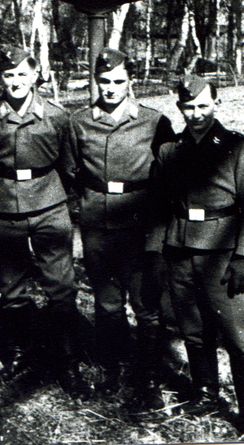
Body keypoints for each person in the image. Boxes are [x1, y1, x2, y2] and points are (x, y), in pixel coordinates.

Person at [0, 46, 89, 399]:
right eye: (8, 75)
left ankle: (68, 362)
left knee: (60, 285)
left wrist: (55, 197)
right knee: (11, 286)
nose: (15, 82)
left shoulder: (57, 116)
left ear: (35, 76)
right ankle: (18, 356)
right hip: (3, 208)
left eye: (22, 74)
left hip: (50, 205)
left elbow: (69, 164)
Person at [146, 75, 244, 439]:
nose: (196, 114)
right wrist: (155, 252)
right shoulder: (170, 151)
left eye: (203, 106)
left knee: (236, 336)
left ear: (216, 103)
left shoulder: (236, 147)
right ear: (179, 107)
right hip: (180, 250)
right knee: (194, 331)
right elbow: (157, 206)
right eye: (188, 107)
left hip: (222, 254)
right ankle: (205, 394)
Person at [68, 48, 175, 409]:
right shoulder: (80, 121)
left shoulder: (153, 121)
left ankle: (147, 377)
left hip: (139, 221)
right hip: (97, 221)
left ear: (132, 82)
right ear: (95, 82)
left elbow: (168, 174)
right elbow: (71, 170)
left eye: (118, 82)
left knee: (145, 305)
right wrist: (81, 209)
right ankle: (111, 370)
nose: (111, 89)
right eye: (104, 82)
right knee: (107, 303)